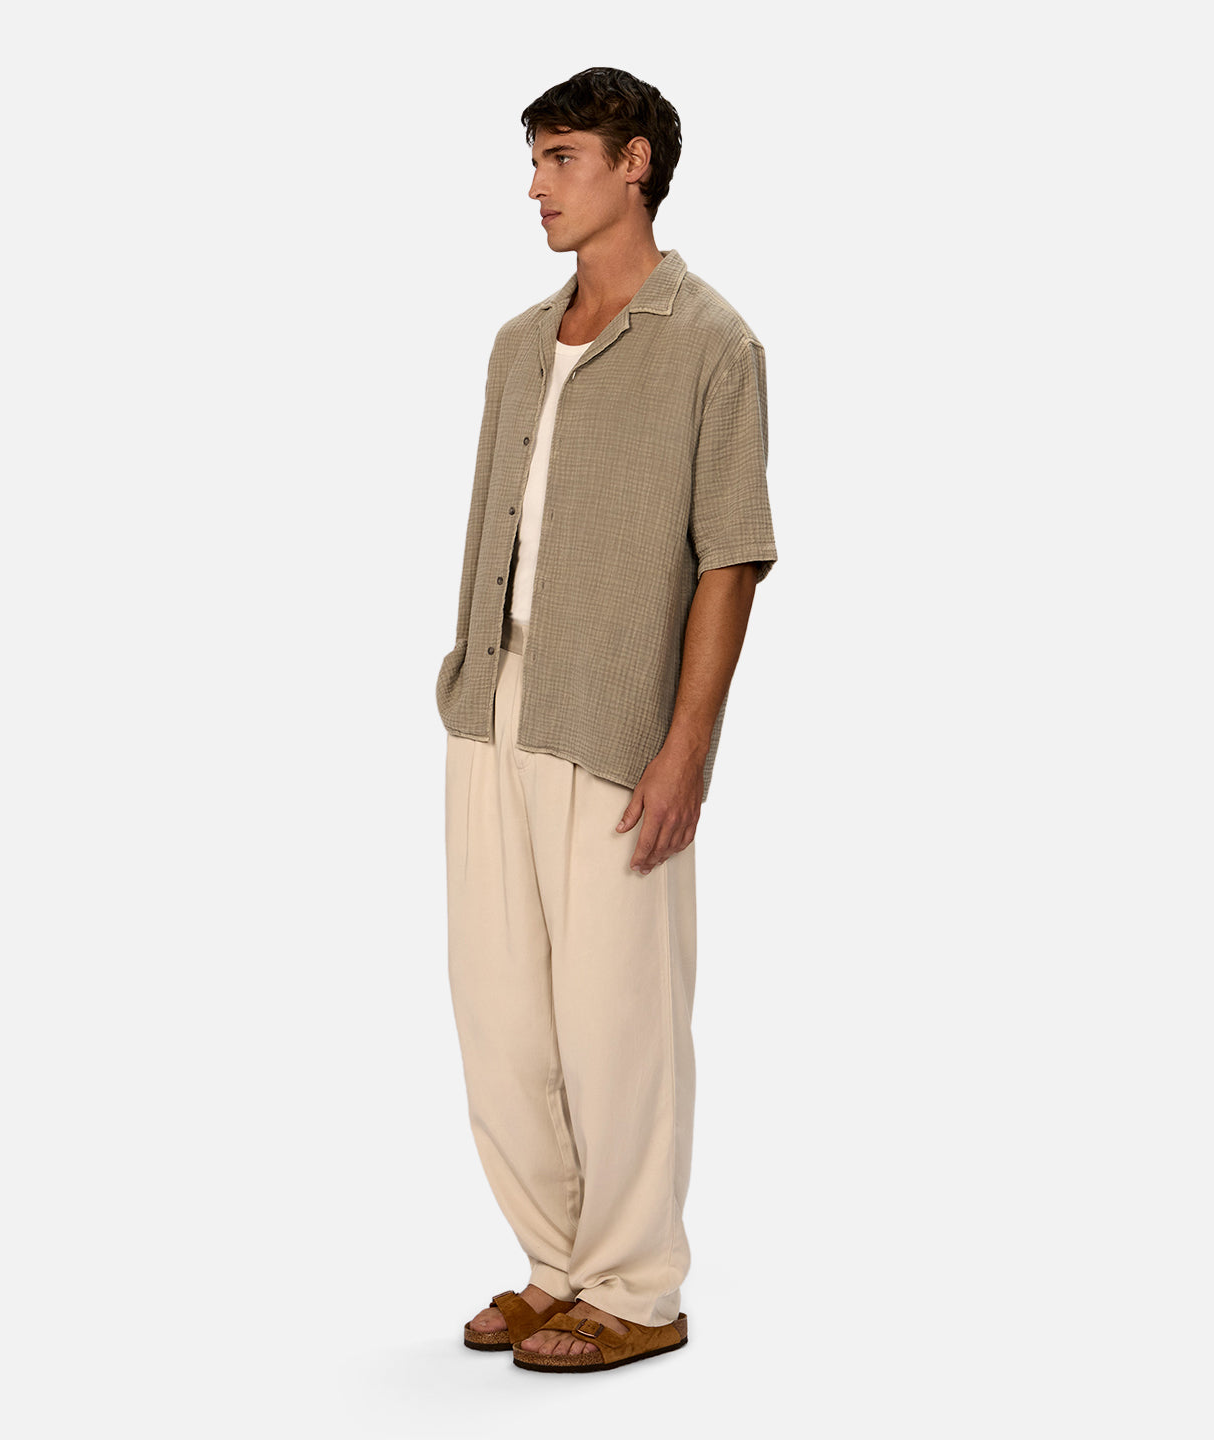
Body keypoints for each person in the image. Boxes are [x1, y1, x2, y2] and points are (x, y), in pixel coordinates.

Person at [435, 66, 778, 1374]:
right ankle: (555, 1264)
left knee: (618, 1017)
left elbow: (729, 556)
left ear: (635, 164)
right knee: (500, 1012)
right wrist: (472, 684)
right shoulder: (519, 343)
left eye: (561, 157)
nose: (536, 187)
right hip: (493, 706)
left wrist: (688, 747)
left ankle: (636, 1288)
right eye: (534, 160)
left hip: (618, 719)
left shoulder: (714, 344)